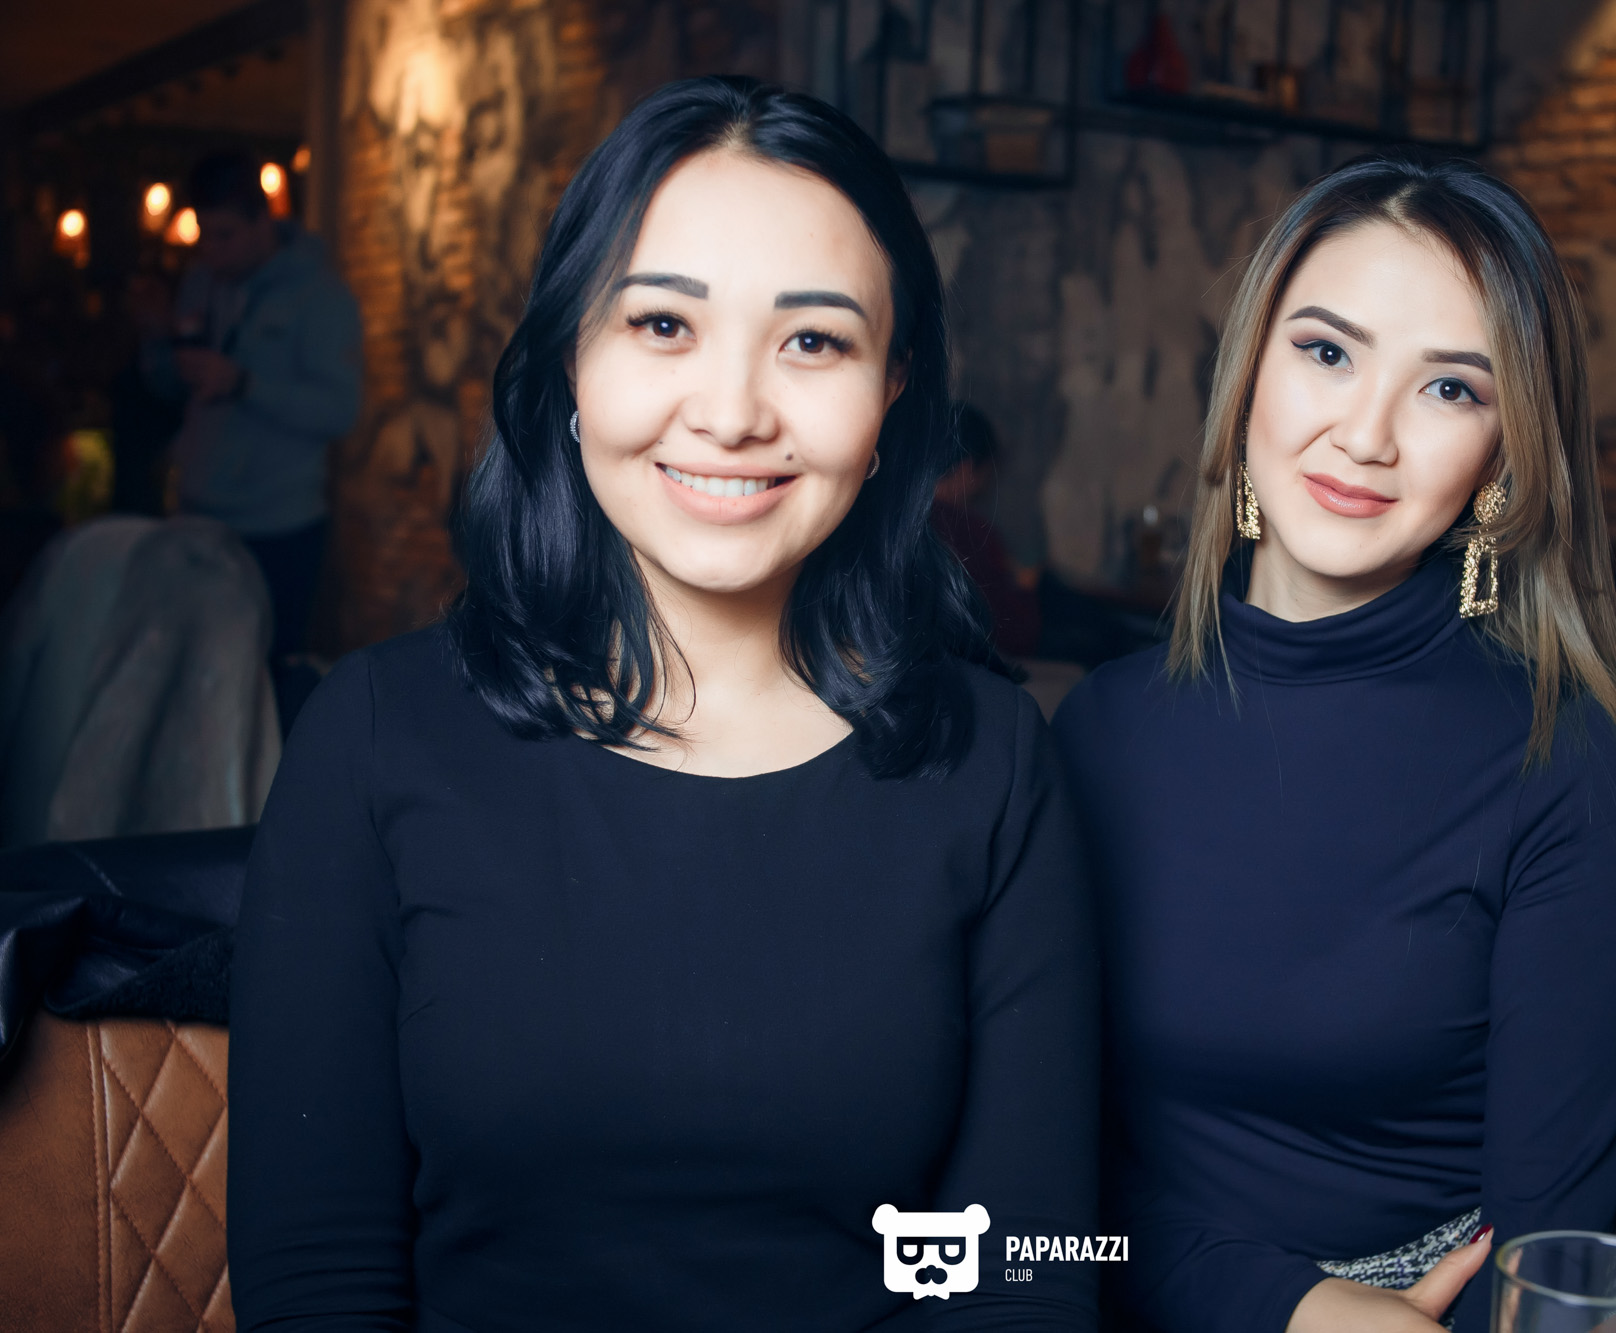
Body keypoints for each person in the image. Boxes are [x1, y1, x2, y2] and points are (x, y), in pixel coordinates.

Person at [228, 79, 1099, 1330]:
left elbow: (1026, 1269)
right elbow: (319, 1278)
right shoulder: (375, 736)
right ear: (569, 361)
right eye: (661, 324)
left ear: (894, 390)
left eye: (814, 341)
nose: (733, 413)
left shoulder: (993, 762)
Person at [1052, 151, 1616, 1333]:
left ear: (1503, 458)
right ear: (1248, 372)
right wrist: (1289, 1305)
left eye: (1449, 388)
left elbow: (1543, 1266)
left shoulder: (1569, 766)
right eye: (1327, 353)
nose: (1365, 435)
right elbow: (1029, 1179)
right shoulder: (1096, 729)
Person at [141, 152, 361, 660]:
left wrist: (243, 383)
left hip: (277, 529)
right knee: (188, 667)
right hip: (196, 515)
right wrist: (157, 341)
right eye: (204, 235)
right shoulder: (201, 282)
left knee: (265, 673)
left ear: (263, 221)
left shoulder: (320, 295)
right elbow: (170, 389)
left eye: (225, 235)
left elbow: (340, 410)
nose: (211, 250)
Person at [933, 403, 1041, 658]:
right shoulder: (970, 532)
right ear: (967, 468)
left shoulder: (893, 520)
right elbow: (1015, 632)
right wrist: (1025, 585)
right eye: (985, 473)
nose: (984, 485)